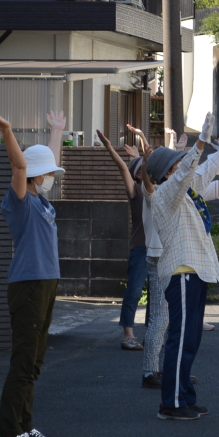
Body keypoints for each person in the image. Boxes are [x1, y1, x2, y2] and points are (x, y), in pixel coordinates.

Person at [144, 114, 219, 418]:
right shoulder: (165, 194)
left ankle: (185, 396)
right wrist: (200, 142)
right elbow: (190, 170)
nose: (184, 168)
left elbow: (206, 169)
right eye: (178, 165)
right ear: (167, 173)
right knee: (180, 338)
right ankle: (171, 403)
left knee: (190, 338)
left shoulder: (187, 193)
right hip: (181, 272)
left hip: (195, 271)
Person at [0, 106, 64, 437]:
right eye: (46, 173)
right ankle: (9, 433)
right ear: (36, 175)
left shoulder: (41, 200)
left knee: (35, 361)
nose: (51, 177)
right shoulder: (19, 201)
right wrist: (7, 130)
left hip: (46, 283)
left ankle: (25, 426)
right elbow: (20, 166)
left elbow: (44, 163)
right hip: (28, 284)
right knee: (23, 360)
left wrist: (56, 133)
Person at [96, 128, 146, 351]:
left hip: (159, 248)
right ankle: (128, 334)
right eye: (144, 168)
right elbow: (123, 167)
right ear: (138, 175)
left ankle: (155, 333)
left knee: (159, 294)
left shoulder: (161, 189)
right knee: (134, 291)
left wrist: (140, 153)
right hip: (140, 248)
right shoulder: (135, 191)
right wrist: (109, 147)